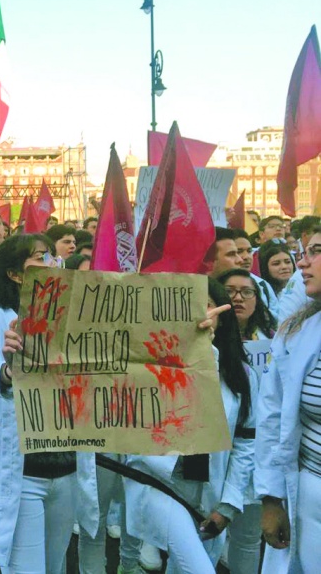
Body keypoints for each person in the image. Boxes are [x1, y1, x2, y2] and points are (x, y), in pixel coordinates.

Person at [0, 234, 99, 573]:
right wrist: (8, 371)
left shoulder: (76, 312)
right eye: (41, 256)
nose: (52, 262)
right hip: (23, 474)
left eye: (52, 255)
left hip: (66, 468)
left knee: (54, 567)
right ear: (15, 274)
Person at [124, 279, 256, 573]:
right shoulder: (154, 363)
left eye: (207, 304)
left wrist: (229, 505)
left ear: (222, 317)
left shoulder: (241, 374)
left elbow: (246, 441)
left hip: (208, 490)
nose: (198, 312)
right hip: (159, 482)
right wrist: (200, 351)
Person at [255, 223, 321, 573]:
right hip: (311, 497)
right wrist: (271, 499)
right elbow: (272, 418)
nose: (302, 263)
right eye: (303, 252)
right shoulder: (294, 333)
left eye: (316, 252)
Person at [217, 269, 277, 340]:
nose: (238, 298)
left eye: (247, 292)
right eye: (229, 291)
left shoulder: (270, 337)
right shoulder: (207, 337)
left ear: (257, 300)